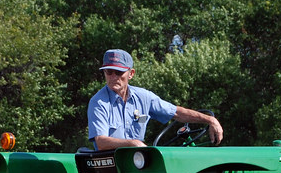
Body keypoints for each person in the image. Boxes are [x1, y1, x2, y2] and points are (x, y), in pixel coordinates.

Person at [87, 49, 223, 150]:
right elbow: (101, 142)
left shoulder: (144, 97)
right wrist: (134, 144)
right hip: (113, 165)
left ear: (131, 74)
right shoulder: (98, 102)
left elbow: (176, 113)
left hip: (137, 161)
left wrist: (210, 120)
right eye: (109, 72)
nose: (113, 76)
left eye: (118, 72)